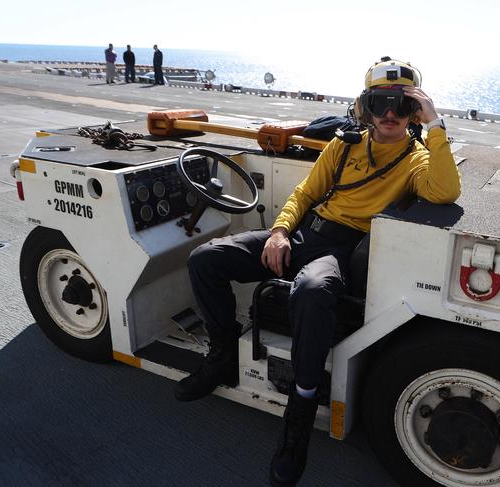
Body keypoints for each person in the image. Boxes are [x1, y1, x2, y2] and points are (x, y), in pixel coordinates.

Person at [177, 57, 461, 487]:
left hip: (344, 249)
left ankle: (300, 411)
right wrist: (278, 233)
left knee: (311, 290)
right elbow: (305, 193)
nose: (389, 113)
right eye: (380, 102)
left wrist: (435, 122)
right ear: (366, 104)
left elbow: (444, 191)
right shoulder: (344, 145)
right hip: (307, 235)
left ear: (415, 111)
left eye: (401, 105)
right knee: (206, 258)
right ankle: (220, 355)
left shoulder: (417, 159)